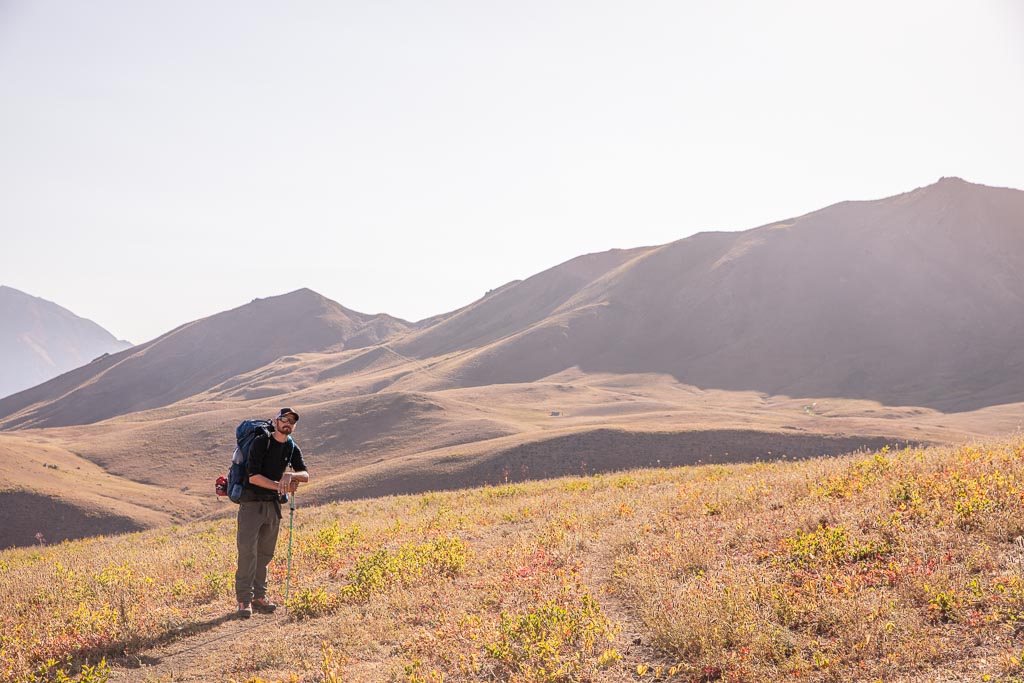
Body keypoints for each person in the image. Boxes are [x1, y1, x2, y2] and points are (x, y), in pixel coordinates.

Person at [235, 408, 310, 618]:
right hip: (252, 504)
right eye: (284, 420)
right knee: (248, 551)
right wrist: (280, 485)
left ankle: (259, 596)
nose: (288, 424)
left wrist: (290, 474)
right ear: (276, 421)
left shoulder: (291, 446)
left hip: (273, 506)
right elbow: (253, 477)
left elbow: (305, 474)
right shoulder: (262, 442)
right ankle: (244, 600)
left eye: (292, 422)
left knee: (265, 553)